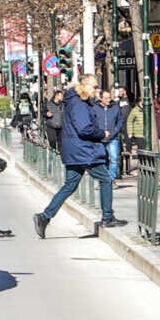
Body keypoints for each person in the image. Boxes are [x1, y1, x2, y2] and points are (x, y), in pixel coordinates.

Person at [37, 78, 124, 237]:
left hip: (75, 150)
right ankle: (107, 216)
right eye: (95, 87)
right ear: (85, 87)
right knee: (105, 179)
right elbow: (85, 128)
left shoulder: (76, 101)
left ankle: (44, 217)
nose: (97, 90)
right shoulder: (79, 104)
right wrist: (101, 134)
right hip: (84, 151)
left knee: (70, 185)